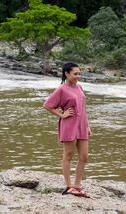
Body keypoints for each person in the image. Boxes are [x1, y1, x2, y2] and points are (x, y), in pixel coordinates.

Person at [43, 63, 92, 197]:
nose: (78, 76)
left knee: (84, 156)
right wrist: (62, 115)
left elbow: (83, 107)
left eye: (79, 73)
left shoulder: (79, 87)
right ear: (67, 74)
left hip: (81, 125)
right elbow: (47, 105)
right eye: (75, 74)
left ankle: (77, 185)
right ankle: (69, 186)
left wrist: (87, 125)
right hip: (69, 124)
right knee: (68, 155)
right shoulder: (61, 89)